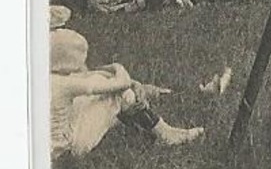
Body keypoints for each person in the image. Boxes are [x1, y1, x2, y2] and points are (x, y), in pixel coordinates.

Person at [50, 29, 203, 157]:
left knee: (102, 82)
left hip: (48, 146)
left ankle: (143, 125)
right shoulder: (66, 84)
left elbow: (87, 76)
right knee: (119, 93)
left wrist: (121, 78)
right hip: (68, 148)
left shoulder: (50, 78)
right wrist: (118, 67)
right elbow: (121, 83)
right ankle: (165, 134)